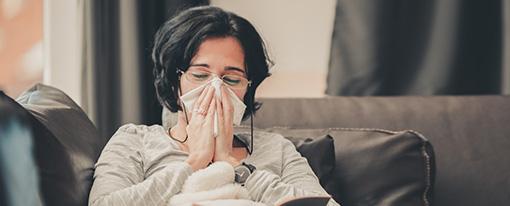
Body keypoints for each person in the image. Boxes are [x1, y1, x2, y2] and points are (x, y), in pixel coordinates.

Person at [89, 6, 338, 206]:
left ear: (248, 89)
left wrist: (233, 165)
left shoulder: (277, 149)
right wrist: (193, 162)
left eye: (231, 79)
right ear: (174, 84)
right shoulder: (134, 141)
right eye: (199, 75)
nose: (216, 89)